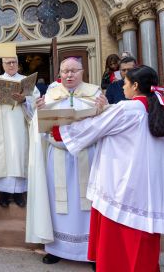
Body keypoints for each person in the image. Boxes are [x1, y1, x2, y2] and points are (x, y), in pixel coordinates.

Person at [53, 65, 164, 271]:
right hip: (149, 187)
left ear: (136, 85)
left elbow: (95, 127)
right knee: (143, 243)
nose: (123, 86)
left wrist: (58, 130)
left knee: (120, 245)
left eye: (126, 82)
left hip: (123, 185)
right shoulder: (156, 106)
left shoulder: (128, 109)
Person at [35, 57, 106, 267]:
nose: (69, 75)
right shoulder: (50, 94)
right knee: (59, 203)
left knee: (89, 203)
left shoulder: (95, 93)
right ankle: (57, 248)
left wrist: (103, 109)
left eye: (73, 71)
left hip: (87, 156)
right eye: (65, 71)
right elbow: (40, 127)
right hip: (58, 155)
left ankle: (90, 251)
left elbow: (106, 124)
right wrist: (38, 111)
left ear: (82, 72)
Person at [0, 57, 40, 208]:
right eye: (8, 62)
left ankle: (19, 193)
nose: (11, 65)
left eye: (14, 62)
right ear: (3, 65)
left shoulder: (26, 80)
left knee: (18, 155)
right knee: (3, 157)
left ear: (18, 64)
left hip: (20, 123)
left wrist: (24, 100)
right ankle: (3, 193)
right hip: (0, 124)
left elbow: (36, 101)